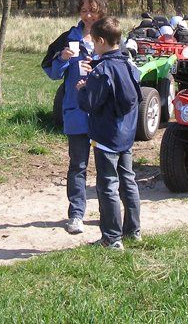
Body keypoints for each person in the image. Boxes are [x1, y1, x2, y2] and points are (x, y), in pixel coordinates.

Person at [41, 0, 106, 235]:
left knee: (105, 166)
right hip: (76, 111)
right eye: (83, 11)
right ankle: (76, 214)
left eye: (93, 10)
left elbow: (122, 66)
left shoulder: (108, 35)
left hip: (102, 112)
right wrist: (63, 59)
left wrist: (99, 65)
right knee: (77, 165)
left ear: (101, 10)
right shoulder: (68, 37)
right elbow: (51, 72)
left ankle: (106, 212)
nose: (88, 16)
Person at [76, 16, 143, 250]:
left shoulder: (102, 70)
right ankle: (133, 231)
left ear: (102, 41)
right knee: (129, 181)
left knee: (108, 186)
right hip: (126, 135)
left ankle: (112, 238)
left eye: (94, 43)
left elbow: (90, 103)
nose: (93, 47)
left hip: (106, 137)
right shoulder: (129, 64)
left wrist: (83, 89)